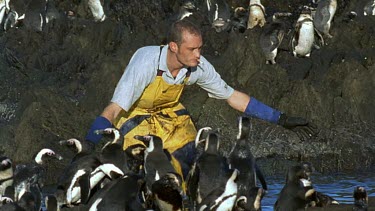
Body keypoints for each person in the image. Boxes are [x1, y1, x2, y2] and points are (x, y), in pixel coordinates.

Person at [85, 19, 317, 179]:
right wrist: (89, 146)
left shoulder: (198, 67)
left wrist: (281, 119)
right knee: (142, 173)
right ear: (174, 47)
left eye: (200, 48)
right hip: (135, 119)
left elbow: (232, 96)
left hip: (171, 118)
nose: (198, 55)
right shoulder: (146, 63)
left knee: (191, 169)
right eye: (192, 49)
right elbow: (114, 110)